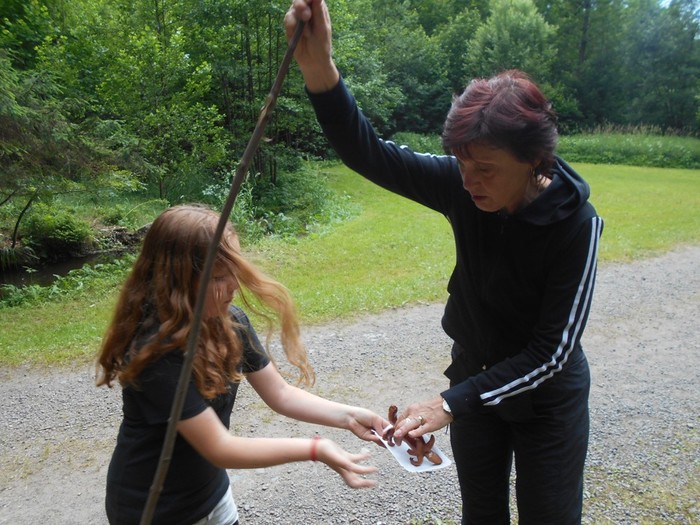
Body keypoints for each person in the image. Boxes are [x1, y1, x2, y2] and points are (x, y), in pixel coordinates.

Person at [285, 2, 604, 524]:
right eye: (460, 163)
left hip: (545, 402)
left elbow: (552, 352)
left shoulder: (577, 224)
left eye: (485, 169)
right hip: (473, 377)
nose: (468, 181)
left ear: (534, 161)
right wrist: (319, 68)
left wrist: (451, 403)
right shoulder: (463, 183)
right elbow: (369, 153)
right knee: (480, 514)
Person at [96, 204, 389, 525]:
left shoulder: (229, 322)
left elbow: (280, 394)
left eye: (235, 269)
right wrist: (315, 449)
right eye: (220, 276)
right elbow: (219, 447)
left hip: (212, 494)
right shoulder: (156, 352)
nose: (235, 284)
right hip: (153, 511)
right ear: (177, 282)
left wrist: (351, 416)